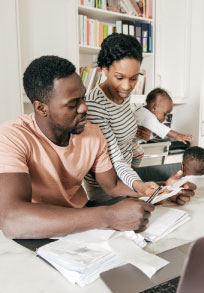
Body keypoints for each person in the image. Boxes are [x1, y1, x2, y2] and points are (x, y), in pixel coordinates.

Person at [85, 33, 158, 202]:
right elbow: (114, 159)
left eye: (133, 78)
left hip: (126, 178)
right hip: (106, 188)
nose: (127, 86)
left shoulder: (122, 94)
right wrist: (139, 185)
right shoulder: (95, 106)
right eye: (119, 77)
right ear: (104, 69)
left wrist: (136, 133)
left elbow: (121, 139)